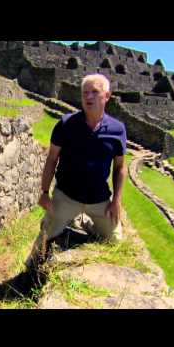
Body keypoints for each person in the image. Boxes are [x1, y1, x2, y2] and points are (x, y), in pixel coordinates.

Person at [25, 74, 127, 269]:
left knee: (116, 242)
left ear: (107, 96)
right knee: (45, 236)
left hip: (100, 200)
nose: (88, 97)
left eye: (94, 92)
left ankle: (87, 226)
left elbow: (120, 167)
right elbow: (52, 159)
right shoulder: (66, 124)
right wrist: (45, 193)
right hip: (66, 197)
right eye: (85, 93)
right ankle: (26, 274)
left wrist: (116, 201)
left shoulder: (117, 129)